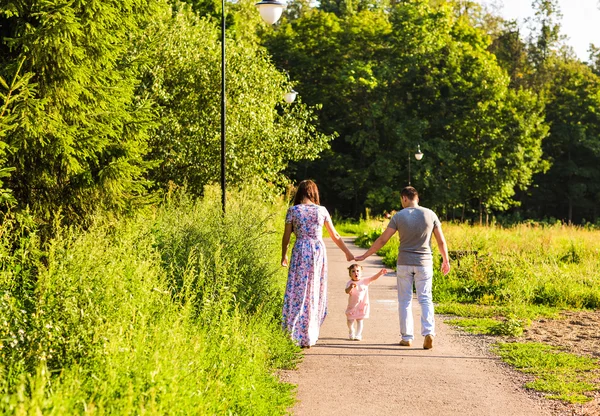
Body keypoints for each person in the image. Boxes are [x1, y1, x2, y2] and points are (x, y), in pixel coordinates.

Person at [355, 186, 450, 350]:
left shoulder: (398, 216)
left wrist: (365, 255)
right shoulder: (430, 214)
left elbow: (383, 239)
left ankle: (407, 337)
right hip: (424, 263)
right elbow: (441, 241)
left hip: (404, 262)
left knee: (405, 300)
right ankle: (429, 332)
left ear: (404, 198)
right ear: (417, 198)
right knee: (425, 298)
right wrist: (445, 260)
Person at [281, 180, 354, 348]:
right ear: (314, 193)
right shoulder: (321, 211)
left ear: (300, 193)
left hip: (300, 250)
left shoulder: (293, 211)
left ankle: (294, 333)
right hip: (317, 252)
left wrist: (283, 255)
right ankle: (309, 334)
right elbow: (335, 235)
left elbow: (286, 237)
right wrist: (347, 252)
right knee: (313, 291)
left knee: (297, 291)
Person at [345, 264, 387, 341]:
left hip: (362, 305)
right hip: (352, 306)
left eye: (358, 271)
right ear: (350, 274)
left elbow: (373, 278)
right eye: (353, 271)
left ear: (361, 273)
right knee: (350, 321)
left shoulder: (364, 281)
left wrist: (380, 273)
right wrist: (350, 287)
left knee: (360, 320)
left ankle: (358, 335)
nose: (356, 273)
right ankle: (351, 331)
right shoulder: (349, 283)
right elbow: (347, 291)